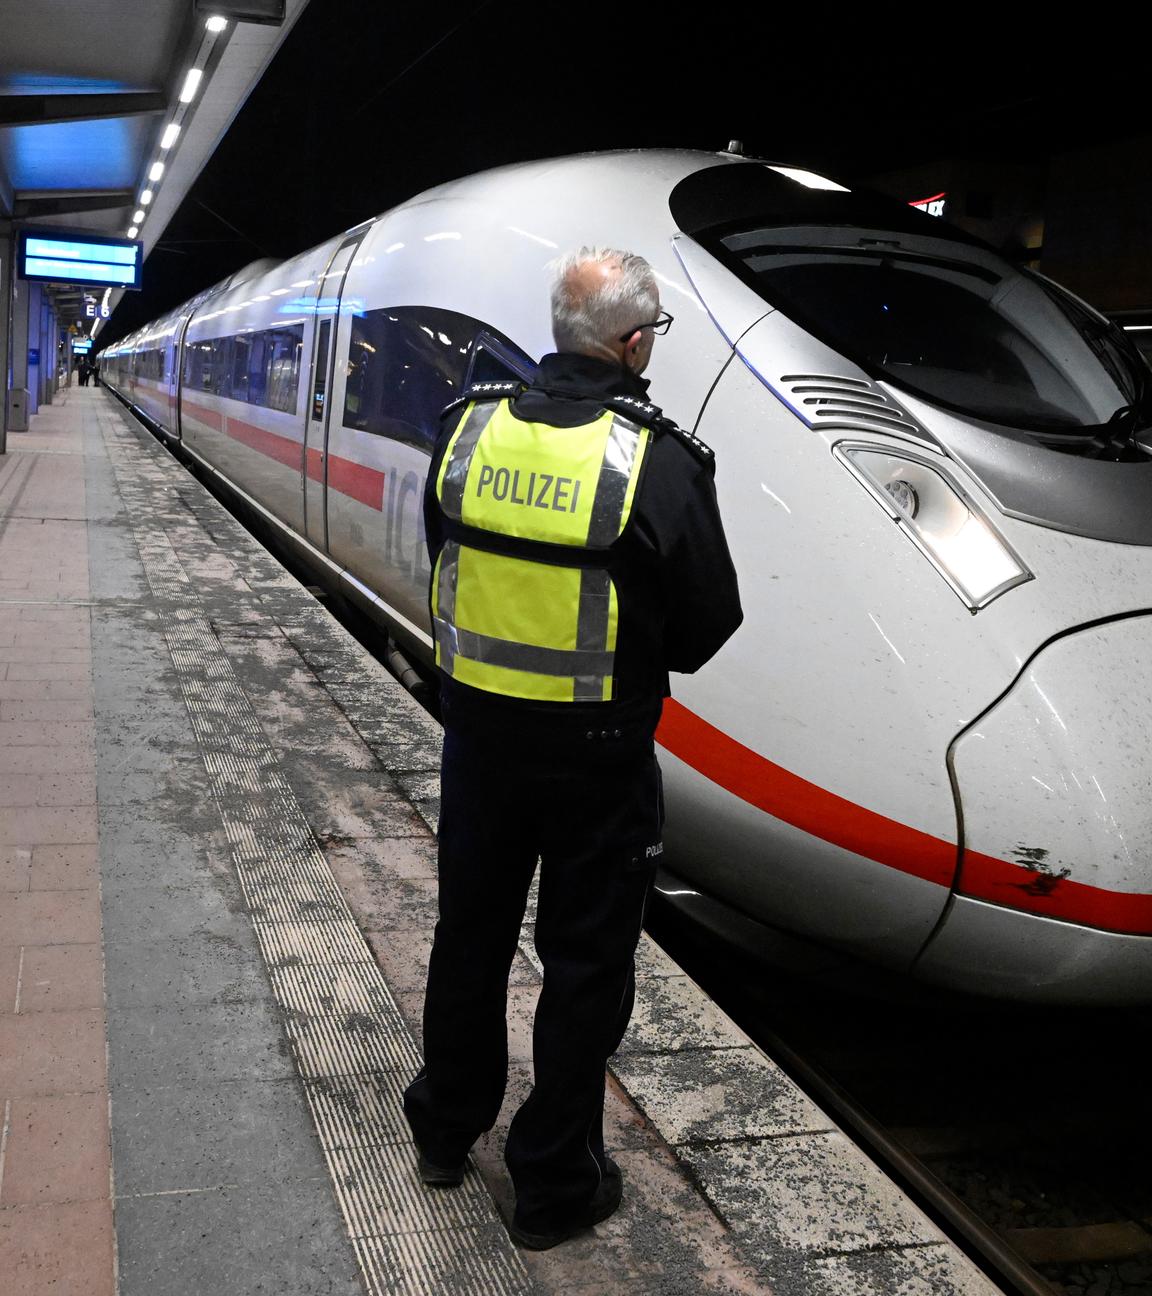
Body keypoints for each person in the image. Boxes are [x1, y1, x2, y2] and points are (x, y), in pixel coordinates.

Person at [403, 246, 743, 1249]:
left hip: (480, 744)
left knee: (468, 936)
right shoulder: (657, 459)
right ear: (635, 344)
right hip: (596, 761)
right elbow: (705, 626)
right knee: (584, 966)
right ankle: (552, 1184)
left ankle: (444, 1128)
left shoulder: (469, 429)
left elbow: (447, 557)